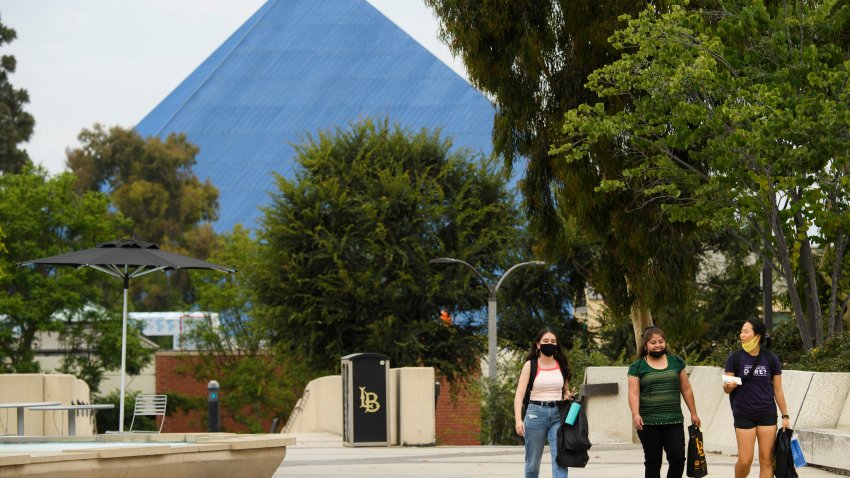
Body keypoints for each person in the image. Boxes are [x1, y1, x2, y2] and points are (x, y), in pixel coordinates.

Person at [628, 326, 700, 478]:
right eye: (653, 342)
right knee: (653, 462)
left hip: (673, 421)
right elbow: (633, 393)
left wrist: (694, 413)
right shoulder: (637, 366)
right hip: (648, 423)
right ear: (646, 345)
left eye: (661, 341)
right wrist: (635, 414)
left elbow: (686, 389)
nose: (658, 345)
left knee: (678, 459)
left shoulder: (676, 362)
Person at [723, 319, 790, 478]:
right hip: (743, 413)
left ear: (757, 336)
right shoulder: (735, 358)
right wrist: (728, 385)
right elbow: (726, 389)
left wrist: (785, 415)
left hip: (767, 413)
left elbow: (778, 390)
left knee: (766, 460)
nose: (742, 335)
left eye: (746, 331)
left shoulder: (771, 358)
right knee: (745, 460)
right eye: (741, 331)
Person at [513, 327, 576, 478]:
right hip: (535, 415)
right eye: (546, 341)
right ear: (538, 345)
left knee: (560, 460)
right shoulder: (530, 365)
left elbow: (565, 389)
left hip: (557, 414)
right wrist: (518, 420)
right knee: (532, 463)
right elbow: (519, 395)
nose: (550, 344)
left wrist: (568, 395)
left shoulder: (561, 364)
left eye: (553, 341)